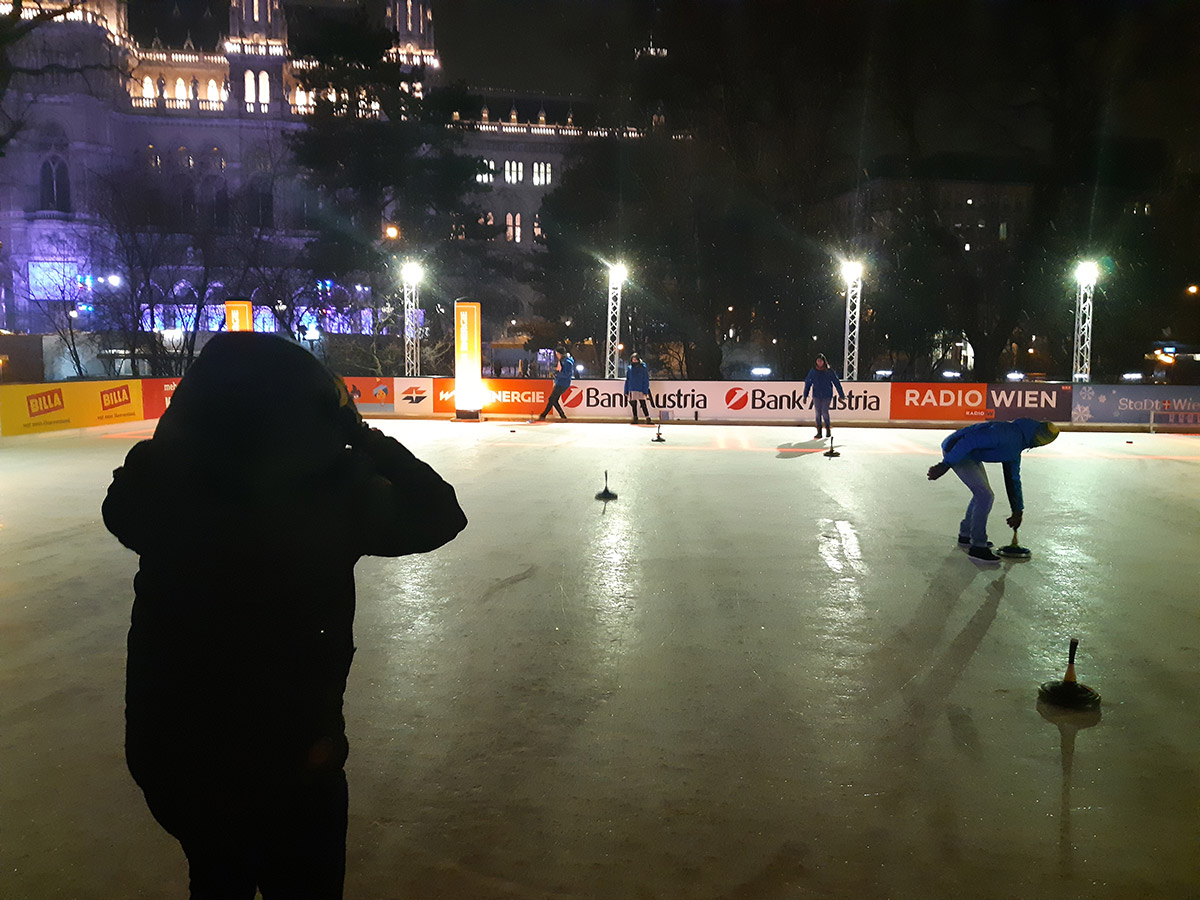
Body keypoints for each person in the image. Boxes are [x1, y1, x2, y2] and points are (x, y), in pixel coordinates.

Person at [103, 333, 467, 899]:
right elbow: (440, 513)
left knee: (215, 875)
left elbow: (122, 502)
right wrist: (364, 437)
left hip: (178, 756)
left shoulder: (160, 486)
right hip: (293, 762)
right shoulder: (332, 492)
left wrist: (164, 441)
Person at [927, 418, 1059, 564]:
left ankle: (966, 535)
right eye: (1040, 440)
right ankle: (977, 546)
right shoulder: (1006, 434)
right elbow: (969, 440)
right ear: (1035, 434)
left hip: (970, 454)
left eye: (1043, 442)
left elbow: (1012, 479)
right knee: (985, 495)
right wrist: (944, 465)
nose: (1039, 443)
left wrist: (1017, 510)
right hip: (957, 449)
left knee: (982, 494)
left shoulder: (1018, 445)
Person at [802, 352, 845, 440]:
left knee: (824, 412)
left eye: (821, 361)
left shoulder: (829, 371)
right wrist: (805, 395)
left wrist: (841, 394)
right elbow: (808, 383)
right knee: (818, 413)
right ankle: (819, 432)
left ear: (824, 362)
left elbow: (836, 383)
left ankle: (828, 429)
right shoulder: (813, 372)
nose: (819, 362)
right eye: (818, 361)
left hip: (827, 395)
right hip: (817, 395)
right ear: (816, 362)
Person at [537, 345, 574, 421]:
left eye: (557, 354)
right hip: (560, 383)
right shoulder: (563, 361)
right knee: (554, 400)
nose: (556, 356)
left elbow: (567, 374)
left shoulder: (567, 362)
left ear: (560, 354)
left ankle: (543, 416)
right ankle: (562, 416)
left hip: (562, 384)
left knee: (551, 399)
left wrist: (557, 374)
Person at [623, 351, 653, 424]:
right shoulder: (630, 368)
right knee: (633, 405)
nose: (634, 361)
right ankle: (635, 418)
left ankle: (648, 418)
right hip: (632, 388)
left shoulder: (643, 368)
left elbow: (645, 379)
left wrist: (645, 390)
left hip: (640, 388)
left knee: (643, 404)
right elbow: (628, 379)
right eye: (633, 359)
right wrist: (626, 390)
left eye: (635, 359)